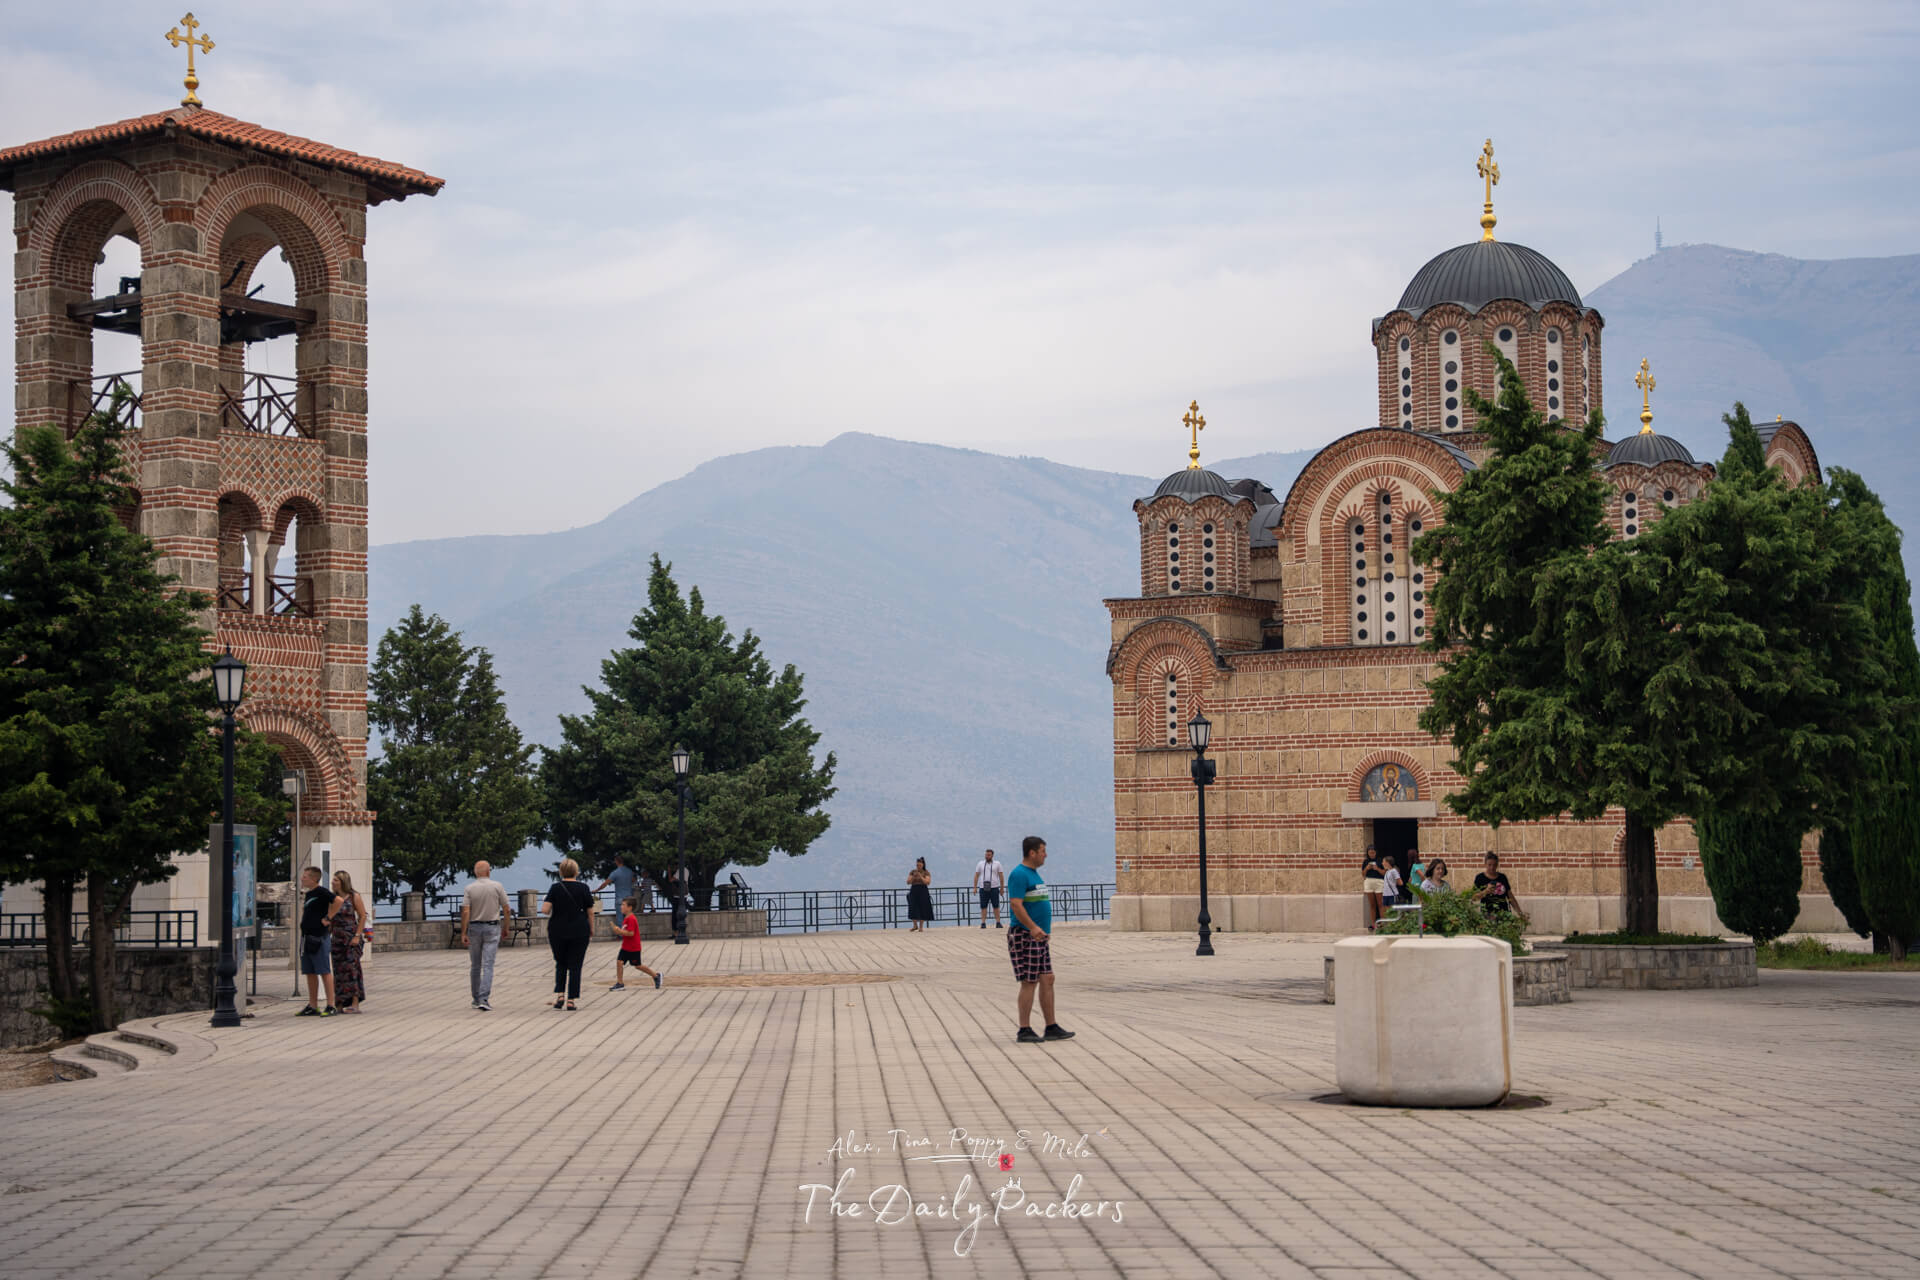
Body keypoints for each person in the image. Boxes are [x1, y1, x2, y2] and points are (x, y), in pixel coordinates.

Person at [1007, 836, 1073, 1044]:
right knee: (1030, 981)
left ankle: (1051, 1026)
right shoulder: (1019, 874)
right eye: (1043, 851)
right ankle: (1024, 1029)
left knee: (1048, 978)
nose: (1046, 855)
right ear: (1032, 852)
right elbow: (1016, 905)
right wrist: (1033, 927)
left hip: (1039, 937)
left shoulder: (1034, 875)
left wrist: (1042, 930)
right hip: (1025, 935)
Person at [542, 858, 596, 1010]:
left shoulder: (555, 888)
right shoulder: (584, 888)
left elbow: (545, 910)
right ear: (576, 871)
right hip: (579, 930)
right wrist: (591, 928)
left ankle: (560, 995)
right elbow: (590, 912)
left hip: (557, 930)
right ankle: (571, 1000)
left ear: (561, 872)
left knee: (560, 963)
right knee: (575, 966)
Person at [459, 860, 513, 1011]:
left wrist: (463, 932)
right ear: (489, 871)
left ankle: (476, 998)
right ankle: (484, 998)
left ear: (475, 872)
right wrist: (506, 927)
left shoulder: (469, 888)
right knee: (488, 964)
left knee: (475, 965)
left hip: (474, 928)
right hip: (492, 927)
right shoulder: (497, 886)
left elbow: (465, 911)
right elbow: (507, 909)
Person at [295, 866, 338, 1017]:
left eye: (305, 877)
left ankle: (331, 1004)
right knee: (310, 971)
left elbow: (337, 900)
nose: (302, 878)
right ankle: (312, 1005)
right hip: (307, 937)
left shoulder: (321, 891)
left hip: (319, 937)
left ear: (313, 879)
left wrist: (328, 918)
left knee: (324, 970)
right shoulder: (309, 894)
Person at [328, 870, 369, 1014]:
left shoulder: (353, 897)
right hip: (337, 938)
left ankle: (355, 1002)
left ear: (343, 882)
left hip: (351, 937)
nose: (333, 882)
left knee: (352, 969)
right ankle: (339, 1002)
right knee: (339, 971)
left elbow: (363, 916)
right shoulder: (333, 898)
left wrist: (357, 935)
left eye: (336, 880)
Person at [611, 898, 662, 990]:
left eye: (623, 905)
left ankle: (656, 976)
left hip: (633, 947)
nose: (621, 907)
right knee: (619, 962)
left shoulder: (631, 919)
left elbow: (631, 933)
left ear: (630, 907)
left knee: (637, 965)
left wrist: (619, 931)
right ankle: (620, 983)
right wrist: (620, 931)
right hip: (626, 946)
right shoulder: (626, 918)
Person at [973, 848, 1006, 929]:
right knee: (983, 906)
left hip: (994, 887)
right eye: (986, 855)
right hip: (983, 887)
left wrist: (1002, 888)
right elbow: (976, 875)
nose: (987, 856)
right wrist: (975, 887)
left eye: (989, 855)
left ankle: (998, 922)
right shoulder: (980, 863)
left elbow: (1001, 876)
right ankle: (983, 923)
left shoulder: (997, 864)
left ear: (992, 855)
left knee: (996, 905)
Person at [906, 857, 934, 931]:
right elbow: (908, 882)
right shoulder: (912, 872)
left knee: (923, 907)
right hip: (914, 890)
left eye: (920, 864)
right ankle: (915, 925)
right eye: (917, 864)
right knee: (913, 907)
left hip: (923, 890)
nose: (918, 865)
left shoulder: (926, 872)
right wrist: (913, 877)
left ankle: (921, 927)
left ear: (923, 864)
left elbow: (927, 882)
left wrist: (921, 876)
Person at [1361, 845, 1385, 929]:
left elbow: (1384, 873)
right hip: (1368, 881)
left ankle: (1383, 923)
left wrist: (1377, 868)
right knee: (1372, 904)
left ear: (1376, 852)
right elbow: (1363, 875)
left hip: (1379, 882)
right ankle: (1373, 924)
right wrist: (1367, 868)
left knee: (1380, 904)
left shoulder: (1380, 861)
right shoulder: (1365, 862)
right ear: (1367, 853)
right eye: (1370, 852)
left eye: (1373, 852)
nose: (1371, 854)